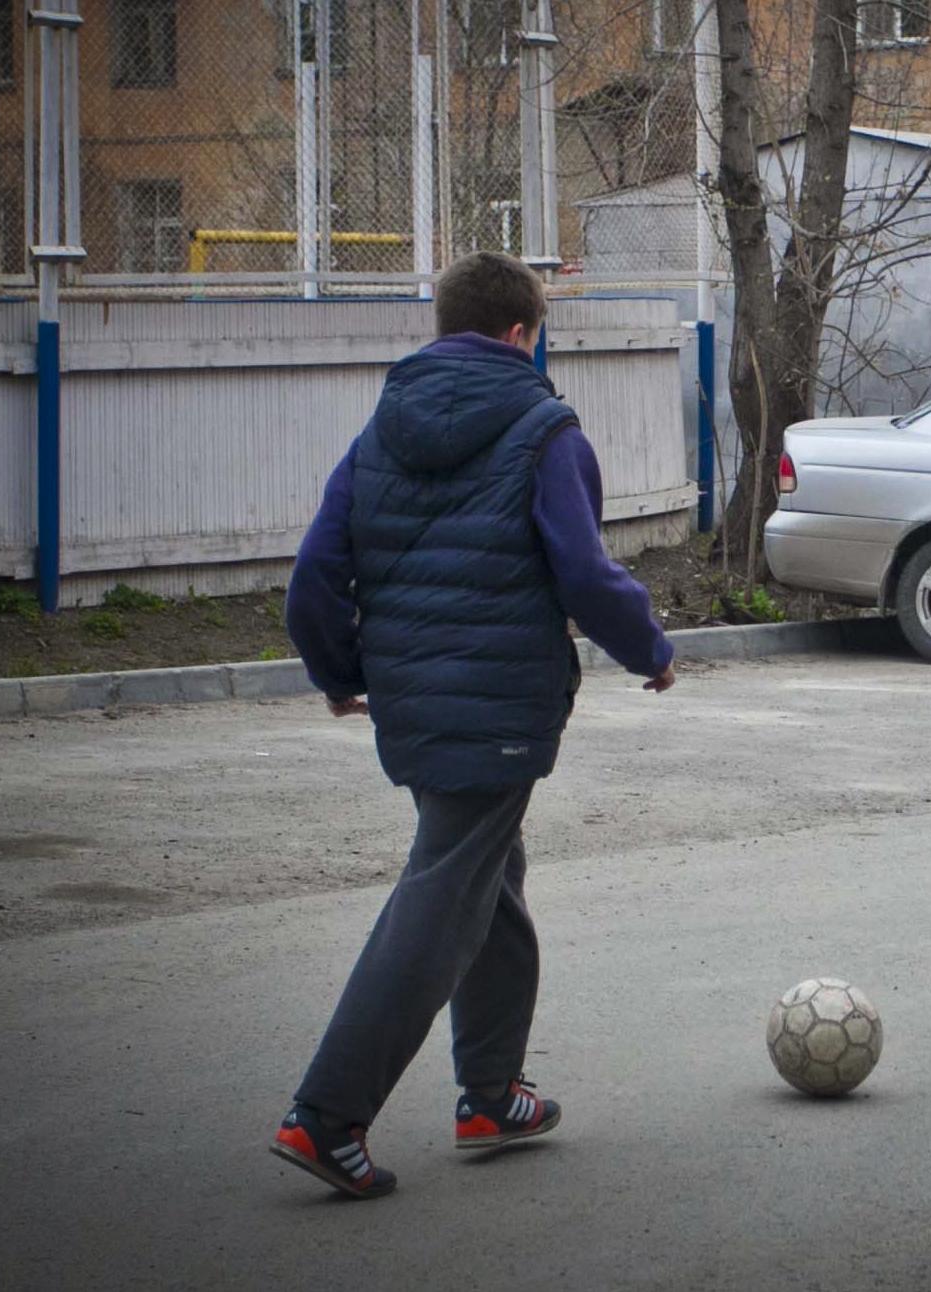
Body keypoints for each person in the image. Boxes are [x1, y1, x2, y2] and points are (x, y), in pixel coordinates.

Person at [269, 251, 676, 1200]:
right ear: (523, 334)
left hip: (412, 699)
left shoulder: (380, 431)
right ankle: (326, 1116)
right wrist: (649, 649)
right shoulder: (545, 429)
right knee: (447, 892)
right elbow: (583, 572)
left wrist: (339, 672)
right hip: (499, 699)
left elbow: (313, 580)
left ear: (443, 328)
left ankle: (490, 1095)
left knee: (489, 876)